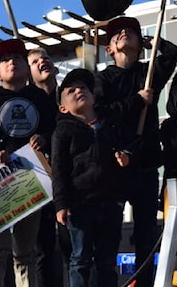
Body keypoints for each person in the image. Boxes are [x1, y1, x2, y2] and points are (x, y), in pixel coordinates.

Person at [93, 16, 177, 287]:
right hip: (114, 167)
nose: (124, 34)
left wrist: (148, 41)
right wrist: (136, 101)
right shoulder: (102, 79)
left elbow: (173, 53)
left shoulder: (149, 73)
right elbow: (100, 115)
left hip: (144, 165)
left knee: (146, 237)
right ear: (108, 48)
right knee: (108, 237)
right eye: (117, 33)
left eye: (130, 31)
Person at [0, 38, 58, 287]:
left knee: (25, 253)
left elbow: (57, 132)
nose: (12, 62)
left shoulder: (39, 99)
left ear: (26, 68)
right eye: (5, 60)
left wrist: (44, 139)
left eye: (17, 58)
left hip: (30, 178)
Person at [51, 68, 135, 287]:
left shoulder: (112, 123)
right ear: (63, 107)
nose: (79, 91)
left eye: (84, 88)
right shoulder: (62, 131)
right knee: (80, 258)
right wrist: (61, 204)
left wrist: (126, 157)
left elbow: (130, 145)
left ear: (94, 96)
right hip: (79, 204)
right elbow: (58, 169)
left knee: (107, 260)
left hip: (111, 202)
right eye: (71, 90)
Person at [27, 48, 65, 287]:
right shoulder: (26, 103)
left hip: (67, 180)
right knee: (42, 248)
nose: (43, 62)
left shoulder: (67, 95)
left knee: (71, 245)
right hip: (37, 182)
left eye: (46, 58)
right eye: (35, 61)